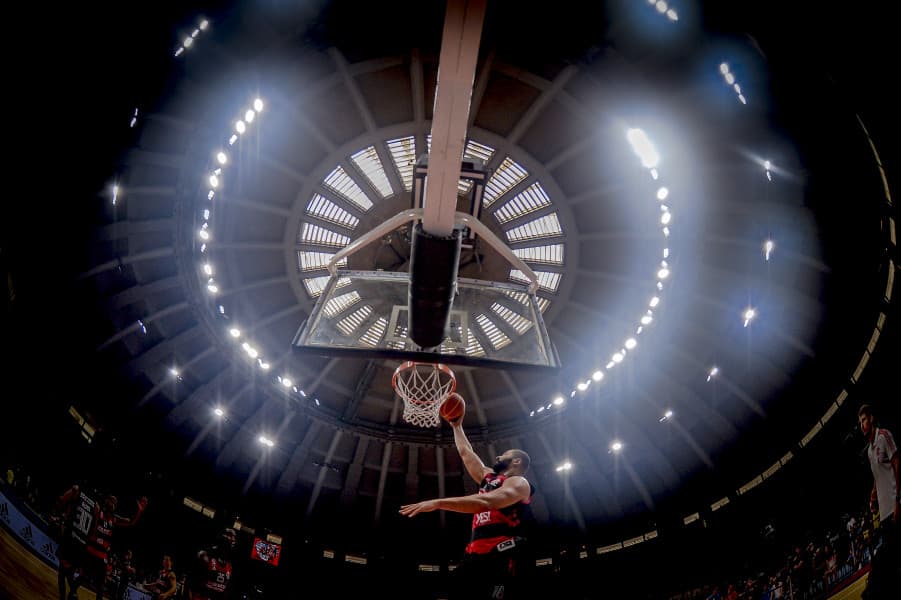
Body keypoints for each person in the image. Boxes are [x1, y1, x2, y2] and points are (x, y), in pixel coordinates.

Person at [399, 403, 534, 600]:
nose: (498, 456)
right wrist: (456, 426)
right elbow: (466, 453)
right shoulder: (489, 477)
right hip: (473, 555)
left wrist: (438, 503)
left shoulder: (520, 484)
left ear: (517, 462)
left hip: (500, 556)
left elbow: (487, 502)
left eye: (504, 455)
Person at [54, 485, 148, 600]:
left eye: (115, 503)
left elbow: (131, 522)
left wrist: (139, 512)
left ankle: (72, 593)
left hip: (102, 556)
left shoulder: (114, 519)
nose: (113, 503)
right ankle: (72, 593)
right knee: (81, 577)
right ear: (106, 501)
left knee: (100, 586)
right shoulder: (98, 511)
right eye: (111, 500)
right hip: (89, 551)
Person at [858, 404, 900, 599]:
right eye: (860, 422)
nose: (862, 425)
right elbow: (878, 475)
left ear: (872, 419)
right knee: (892, 559)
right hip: (884, 514)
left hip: (895, 508)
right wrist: (873, 493)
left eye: (864, 420)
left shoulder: (884, 436)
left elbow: (897, 465)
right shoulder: (868, 451)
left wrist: (898, 500)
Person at [188, 527, 237, 600]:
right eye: (230, 540)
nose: (233, 541)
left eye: (234, 540)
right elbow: (191, 580)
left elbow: (225, 590)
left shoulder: (229, 565)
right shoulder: (206, 555)